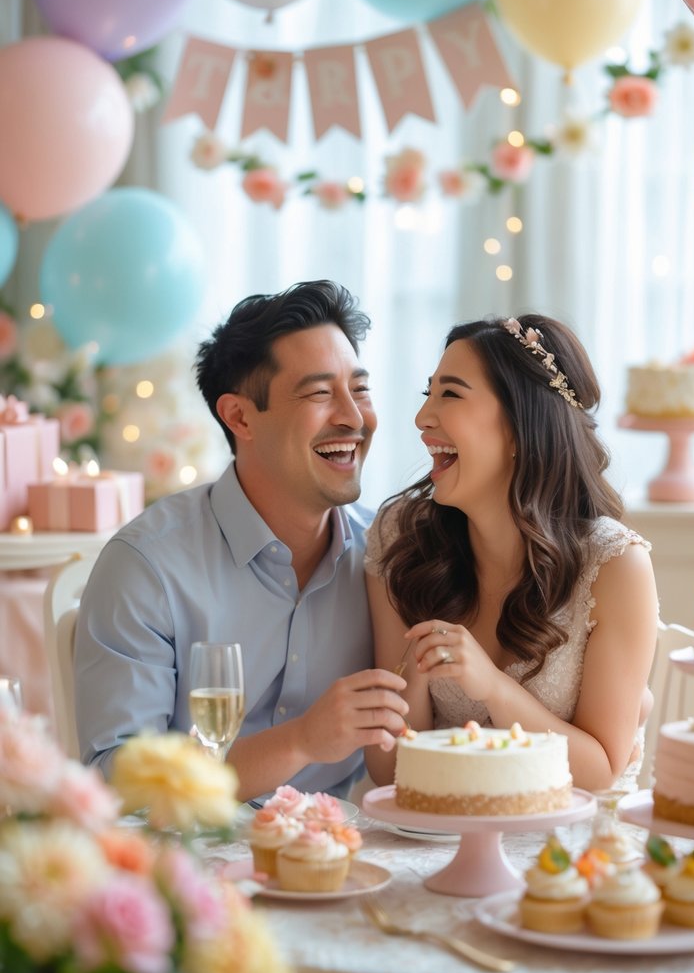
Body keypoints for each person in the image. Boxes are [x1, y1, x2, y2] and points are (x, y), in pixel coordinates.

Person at [74, 280, 408, 803]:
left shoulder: (387, 556)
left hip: (341, 858)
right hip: (192, 864)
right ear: (240, 416)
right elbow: (117, 780)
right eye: (321, 393)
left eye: (359, 389)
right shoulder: (148, 566)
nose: (353, 416)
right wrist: (300, 741)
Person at [364, 313, 659, 794]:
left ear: (521, 426)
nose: (422, 419)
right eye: (428, 394)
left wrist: (491, 686)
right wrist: (413, 671)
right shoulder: (402, 538)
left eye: (451, 394)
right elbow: (389, 769)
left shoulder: (614, 565)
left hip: (574, 852)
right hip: (442, 839)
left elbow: (600, 771)